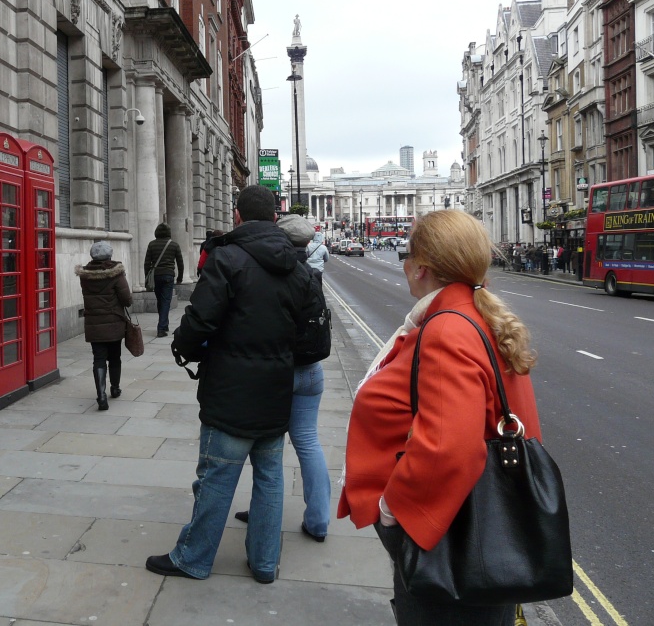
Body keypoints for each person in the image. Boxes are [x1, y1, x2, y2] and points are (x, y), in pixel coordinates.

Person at [338, 210, 542, 625]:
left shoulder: (448, 329)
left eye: (406, 255)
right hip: (471, 529)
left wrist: (394, 513)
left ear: (422, 267)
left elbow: (451, 449)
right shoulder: (472, 315)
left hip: (449, 539)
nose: (403, 265)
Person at [145, 185, 311, 584]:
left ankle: (194, 558)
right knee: (270, 476)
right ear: (275, 217)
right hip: (275, 388)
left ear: (237, 215)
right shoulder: (298, 264)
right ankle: (265, 562)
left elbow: (200, 320)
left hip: (231, 388)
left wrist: (183, 348)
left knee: (218, 475)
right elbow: (309, 332)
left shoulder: (226, 258)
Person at [234, 213, 332, 542]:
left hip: (279, 373)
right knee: (308, 443)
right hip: (311, 373)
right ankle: (318, 521)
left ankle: (264, 509)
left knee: (266, 447)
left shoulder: (277, 274)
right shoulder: (313, 275)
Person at [75, 240, 133, 410]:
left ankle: (101, 396)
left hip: (94, 323)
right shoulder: (115, 274)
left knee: (98, 359)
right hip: (114, 322)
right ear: (110, 255)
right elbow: (127, 300)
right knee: (115, 357)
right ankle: (115, 388)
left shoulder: (85, 275)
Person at [144, 222, 184, 338]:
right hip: (168, 276)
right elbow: (180, 263)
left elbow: (147, 263)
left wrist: (147, 278)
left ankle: (164, 324)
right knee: (166, 301)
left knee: (160, 301)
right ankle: (161, 328)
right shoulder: (174, 245)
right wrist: (180, 278)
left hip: (156, 276)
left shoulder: (151, 245)